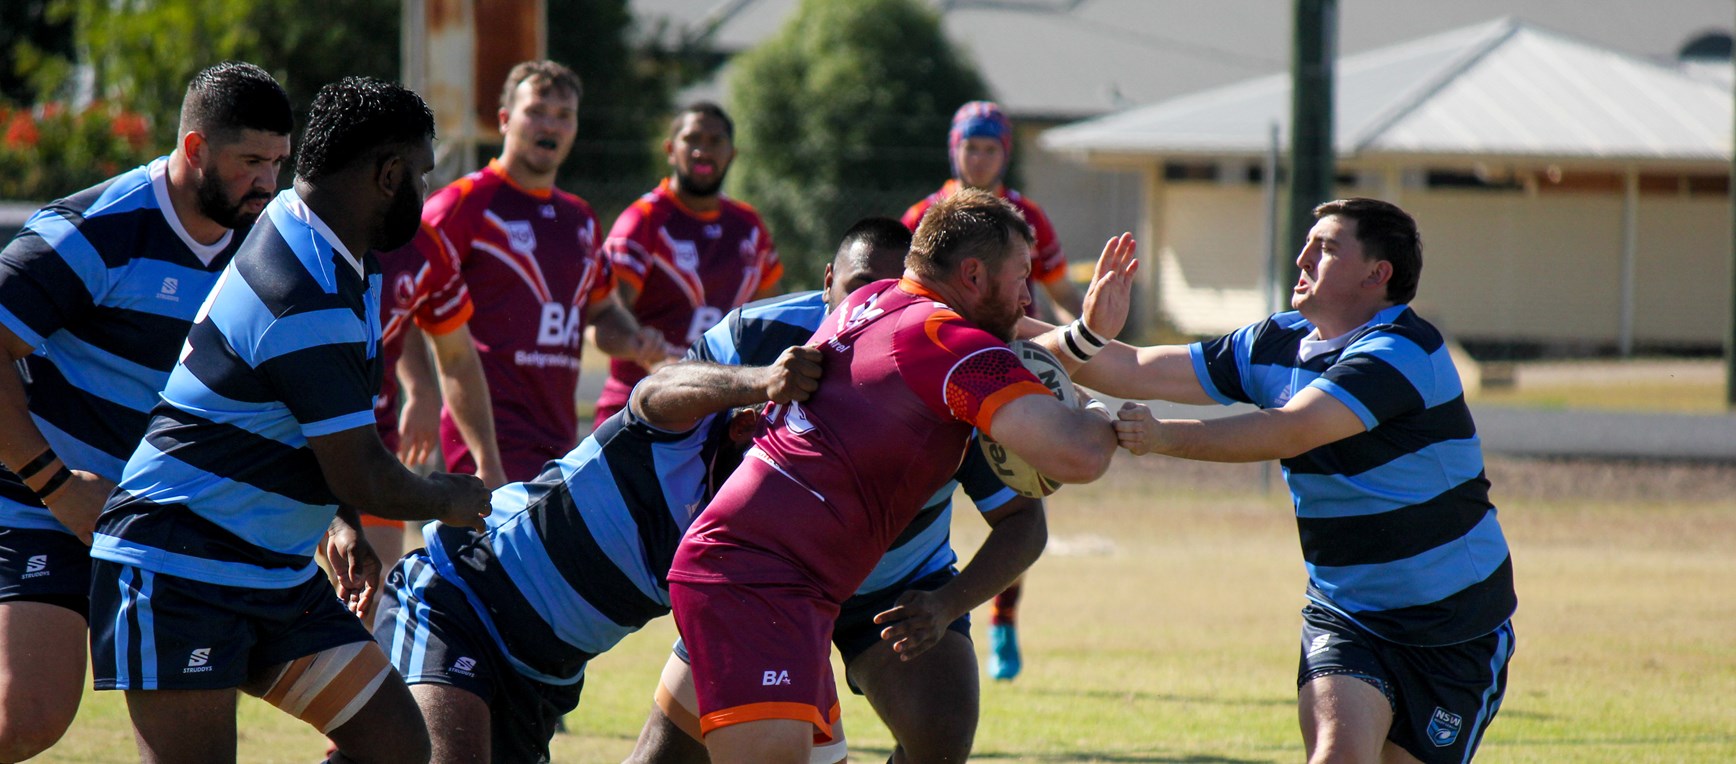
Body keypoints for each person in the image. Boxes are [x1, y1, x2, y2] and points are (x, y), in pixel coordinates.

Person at [86, 76, 492, 763]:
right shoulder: (301, 285)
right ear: (389, 175)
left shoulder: (328, 250)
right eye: (422, 175)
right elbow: (365, 471)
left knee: (394, 744)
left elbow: (311, 427)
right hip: (180, 566)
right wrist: (453, 499)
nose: (428, 192)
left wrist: (342, 522)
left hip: (271, 574)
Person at [666, 189, 1135, 764]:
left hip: (774, 574)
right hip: (758, 582)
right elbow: (1079, 457)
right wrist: (1094, 413)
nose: (1026, 296)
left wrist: (1083, 340)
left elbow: (1013, 336)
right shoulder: (947, 344)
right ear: (971, 274)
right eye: (1020, 277)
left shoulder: (876, 299)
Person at [1084, 198, 1517, 764]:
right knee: (1337, 754)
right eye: (1308, 242)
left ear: (1376, 273)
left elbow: (1290, 431)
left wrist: (1164, 437)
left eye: (1327, 247)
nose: (1302, 256)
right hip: (1349, 614)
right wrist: (1011, 323)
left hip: (1455, 628)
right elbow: (1132, 368)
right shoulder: (1277, 343)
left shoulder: (1402, 351)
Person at [0, 61, 292, 762]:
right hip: (39, 499)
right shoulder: (97, 229)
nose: (269, 183)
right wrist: (57, 485)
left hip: (165, 519)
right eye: (250, 161)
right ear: (193, 149)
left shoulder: (264, 245)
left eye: (279, 162)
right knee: (29, 716)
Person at [374, 328, 822, 763]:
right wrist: (764, 381)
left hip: (543, 679)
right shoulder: (677, 435)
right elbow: (657, 386)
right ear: (746, 428)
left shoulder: (756, 535)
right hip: (459, 600)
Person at [407, 59, 663, 482]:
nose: (551, 125)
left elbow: (601, 313)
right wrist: (419, 389)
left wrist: (636, 340)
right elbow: (401, 302)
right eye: (537, 111)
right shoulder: (462, 205)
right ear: (505, 119)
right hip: (483, 448)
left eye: (564, 116)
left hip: (561, 447)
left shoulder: (580, 219)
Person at [902, 99, 1081, 678]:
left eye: (989, 148)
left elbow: (1054, 294)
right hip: (936, 384)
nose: (978, 157)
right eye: (969, 146)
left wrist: (1088, 337)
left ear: (1004, 154)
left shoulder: (1026, 216)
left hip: (1001, 382)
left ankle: (1002, 617)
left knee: (1019, 497)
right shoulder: (924, 216)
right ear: (954, 150)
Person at [592, 101, 782, 427]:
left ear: (732, 153)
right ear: (670, 149)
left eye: (715, 141)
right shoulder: (644, 221)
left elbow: (769, 321)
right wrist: (644, 348)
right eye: (692, 139)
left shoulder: (750, 227)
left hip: (717, 418)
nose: (702, 151)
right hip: (639, 411)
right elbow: (604, 324)